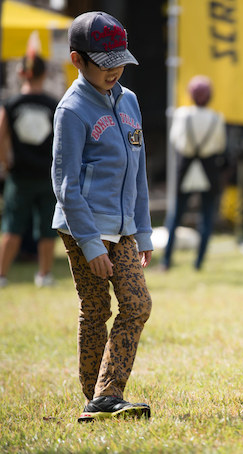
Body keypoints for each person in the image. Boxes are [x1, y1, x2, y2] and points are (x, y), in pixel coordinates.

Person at [52, 11, 153, 421]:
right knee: (95, 309)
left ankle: (105, 394)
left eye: (120, 61)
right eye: (105, 64)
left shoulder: (129, 101)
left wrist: (143, 230)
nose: (116, 71)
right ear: (77, 60)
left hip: (125, 227)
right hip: (84, 229)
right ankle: (98, 398)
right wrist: (91, 244)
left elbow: (139, 170)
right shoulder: (71, 111)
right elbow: (65, 184)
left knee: (137, 305)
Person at [0, 53, 58, 288]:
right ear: (44, 74)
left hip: (19, 175)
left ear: (21, 72)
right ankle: (44, 275)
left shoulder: (11, 103)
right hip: (46, 174)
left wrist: (6, 163)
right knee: (47, 229)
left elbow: (1, 135)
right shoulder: (53, 104)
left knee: (12, 226)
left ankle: (2, 275)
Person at [162, 75, 227, 271]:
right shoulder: (217, 117)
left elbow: (175, 140)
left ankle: (166, 261)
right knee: (206, 216)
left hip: (186, 165)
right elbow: (220, 145)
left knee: (175, 215)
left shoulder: (182, 114)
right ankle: (198, 262)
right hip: (208, 167)